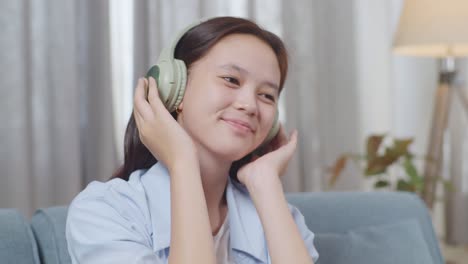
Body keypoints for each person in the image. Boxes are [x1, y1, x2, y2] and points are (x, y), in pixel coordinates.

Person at [66, 16, 319, 264]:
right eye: (231, 80)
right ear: (173, 88)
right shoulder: (103, 211)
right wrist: (182, 162)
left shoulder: (281, 215)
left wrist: (264, 182)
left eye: (266, 95)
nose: (250, 105)